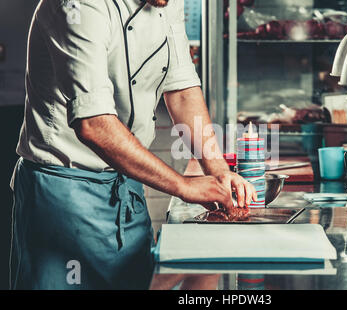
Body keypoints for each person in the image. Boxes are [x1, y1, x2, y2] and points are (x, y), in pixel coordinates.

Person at [9, 0, 256, 290]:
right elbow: (94, 125)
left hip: (126, 187)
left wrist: (217, 170)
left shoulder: (167, 3)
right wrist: (184, 186)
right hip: (63, 194)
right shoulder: (77, 5)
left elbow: (181, 90)